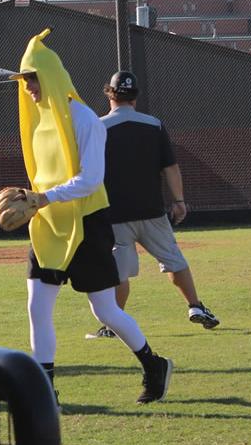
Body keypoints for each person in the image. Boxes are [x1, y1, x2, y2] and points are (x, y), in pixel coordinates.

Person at [9, 29, 173, 405]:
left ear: (50, 77)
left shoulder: (84, 118)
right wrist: (32, 198)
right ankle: (45, 389)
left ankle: (153, 365)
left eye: (32, 78)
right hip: (49, 223)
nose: (28, 87)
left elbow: (90, 180)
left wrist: (43, 197)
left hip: (86, 222)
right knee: (37, 305)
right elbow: (46, 172)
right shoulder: (37, 120)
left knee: (105, 309)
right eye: (24, 80)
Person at [87, 71, 219, 339]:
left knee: (119, 272)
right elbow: (170, 167)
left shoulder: (98, 127)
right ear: (135, 96)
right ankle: (194, 306)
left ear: (110, 94)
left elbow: (88, 172)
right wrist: (179, 201)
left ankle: (114, 324)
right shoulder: (154, 125)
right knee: (173, 260)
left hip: (115, 214)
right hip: (152, 211)